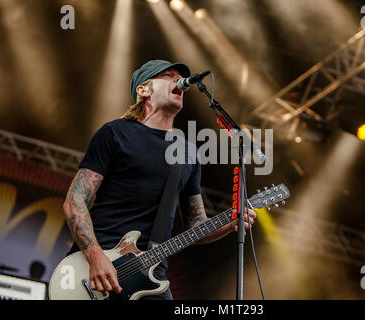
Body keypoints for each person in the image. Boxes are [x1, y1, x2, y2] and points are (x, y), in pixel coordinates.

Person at [63, 59, 256, 300]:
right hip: (96, 272)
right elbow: (75, 200)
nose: (178, 81)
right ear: (143, 90)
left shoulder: (187, 153)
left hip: (150, 280)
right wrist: (95, 256)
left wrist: (229, 223)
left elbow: (196, 226)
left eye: (180, 77)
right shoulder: (115, 133)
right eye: (168, 75)